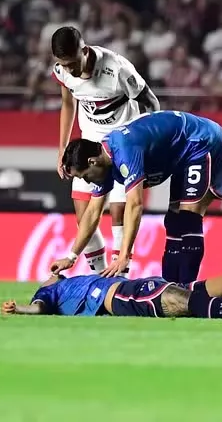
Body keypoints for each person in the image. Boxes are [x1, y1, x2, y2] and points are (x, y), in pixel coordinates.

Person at [51, 110, 222, 284]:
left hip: (203, 141)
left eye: (84, 176)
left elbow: (135, 204)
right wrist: (71, 257)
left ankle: (188, 289)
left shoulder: (125, 150)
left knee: (188, 218)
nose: (87, 181)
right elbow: (92, 212)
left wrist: (124, 256)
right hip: (182, 154)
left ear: (92, 161)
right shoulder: (105, 163)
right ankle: (171, 288)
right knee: (173, 221)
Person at [51, 26, 160, 274]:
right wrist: (62, 149)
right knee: (84, 215)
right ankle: (98, 277)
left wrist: (147, 143)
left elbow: (151, 101)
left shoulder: (117, 69)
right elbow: (68, 104)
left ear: (85, 51)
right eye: (63, 65)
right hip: (89, 144)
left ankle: (120, 277)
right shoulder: (63, 71)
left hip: (122, 144)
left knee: (120, 210)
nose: (70, 71)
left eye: (72, 64)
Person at [1, 271, 222, 320]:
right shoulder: (47, 291)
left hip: (138, 285)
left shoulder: (69, 278)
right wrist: (20, 310)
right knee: (183, 301)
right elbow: (38, 309)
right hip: (117, 298)